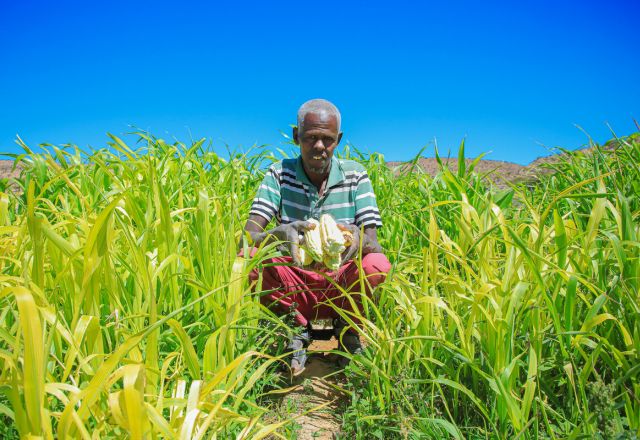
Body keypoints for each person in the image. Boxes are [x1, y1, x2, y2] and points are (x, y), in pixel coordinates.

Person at [241, 99, 391, 374]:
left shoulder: (355, 175)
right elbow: (248, 237)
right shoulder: (279, 174)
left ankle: (347, 328)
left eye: (328, 139)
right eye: (310, 138)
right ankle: (293, 326)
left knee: (377, 264)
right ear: (297, 136)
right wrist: (277, 235)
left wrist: (360, 239)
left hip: (340, 282)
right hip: (295, 281)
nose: (320, 147)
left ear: (338, 140)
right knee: (246, 261)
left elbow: (375, 243)